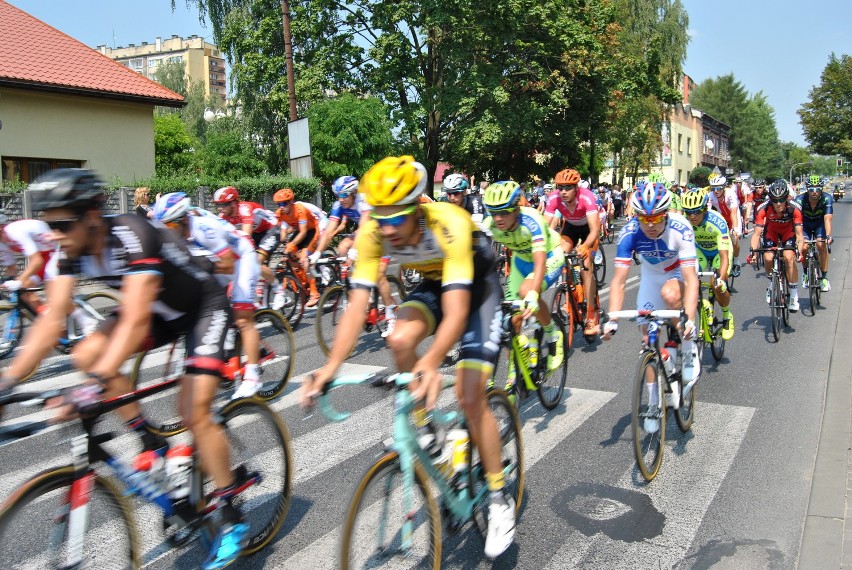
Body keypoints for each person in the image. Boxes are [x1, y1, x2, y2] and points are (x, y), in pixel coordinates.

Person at [0, 169, 247, 568]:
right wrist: (8, 383)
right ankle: (151, 443)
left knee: (194, 410)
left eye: (62, 224)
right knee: (85, 355)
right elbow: (51, 319)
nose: (55, 235)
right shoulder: (69, 251)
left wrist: (94, 385)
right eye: (49, 226)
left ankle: (231, 513)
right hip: (158, 313)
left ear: (92, 216)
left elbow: (132, 319)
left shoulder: (132, 233)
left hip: (201, 306)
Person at [300, 155, 515, 559]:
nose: (386, 230)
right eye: (378, 218)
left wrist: (431, 362)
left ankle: (500, 497)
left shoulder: (446, 222)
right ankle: (424, 424)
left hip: (478, 289)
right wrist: (328, 368)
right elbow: (355, 307)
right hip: (436, 282)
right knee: (399, 339)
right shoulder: (374, 232)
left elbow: (456, 312)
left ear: (418, 207)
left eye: (395, 219)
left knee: (470, 395)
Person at [602, 183, 701, 427]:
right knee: (647, 338)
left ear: (665, 214)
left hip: (678, 271)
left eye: (656, 217)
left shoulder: (681, 228)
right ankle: (654, 403)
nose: (650, 224)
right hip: (651, 275)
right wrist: (612, 320)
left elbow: (691, 280)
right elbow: (619, 280)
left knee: (670, 295)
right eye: (643, 218)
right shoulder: (630, 233)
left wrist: (688, 317)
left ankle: (688, 345)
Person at [152, 192, 265, 399]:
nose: (166, 233)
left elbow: (228, 265)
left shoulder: (204, 228)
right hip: (215, 263)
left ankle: (252, 376)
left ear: (183, 220)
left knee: (242, 318)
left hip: (240, 259)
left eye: (169, 227)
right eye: (162, 228)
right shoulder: (175, 234)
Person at [481, 181, 565, 389]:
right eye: (493, 212)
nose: (498, 218)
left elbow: (539, 263)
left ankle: (553, 333)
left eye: (504, 212)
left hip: (549, 256)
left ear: (516, 209)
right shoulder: (489, 223)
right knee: (512, 319)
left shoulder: (531, 220)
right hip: (520, 261)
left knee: (527, 292)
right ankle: (515, 371)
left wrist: (532, 295)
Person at [309, 175, 399, 335]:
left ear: (353, 193)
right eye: (338, 196)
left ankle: (391, 316)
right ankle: (357, 287)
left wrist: (354, 251)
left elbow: (364, 227)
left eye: (344, 195)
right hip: (367, 234)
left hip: (383, 233)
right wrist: (316, 253)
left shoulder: (363, 202)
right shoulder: (339, 205)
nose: (341, 199)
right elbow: (329, 231)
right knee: (343, 246)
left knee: (378, 274)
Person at [543, 168, 601, 336]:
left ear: (576, 188)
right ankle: (571, 289)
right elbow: (545, 225)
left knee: (586, 265)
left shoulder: (587, 197)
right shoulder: (553, 197)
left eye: (568, 188)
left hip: (588, 231)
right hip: (570, 228)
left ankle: (591, 313)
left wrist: (586, 246)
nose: (563, 192)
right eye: (560, 187)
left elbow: (595, 229)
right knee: (560, 255)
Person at [212, 186, 285, 310]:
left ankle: (279, 291)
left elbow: (246, 236)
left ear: (234, 203)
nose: (220, 208)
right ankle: (258, 294)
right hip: (257, 233)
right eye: (218, 205)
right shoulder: (224, 215)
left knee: (254, 260)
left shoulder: (245, 209)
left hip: (271, 229)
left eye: (223, 205)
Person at [681, 189, 735, 340]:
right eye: (688, 212)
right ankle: (698, 305)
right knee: (689, 278)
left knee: (715, 283)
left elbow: (724, 257)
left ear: (705, 209)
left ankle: (727, 316)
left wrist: (721, 279)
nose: (692, 216)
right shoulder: (685, 222)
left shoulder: (717, 222)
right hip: (701, 251)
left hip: (719, 252)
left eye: (697, 212)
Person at [749, 180, 804, 312]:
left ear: (786, 198)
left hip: (788, 233)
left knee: (789, 257)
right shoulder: (763, 208)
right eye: (775, 200)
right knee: (768, 258)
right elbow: (756, 234)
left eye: (781, 200)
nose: (778, 204)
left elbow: (800, 235)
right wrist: (753, 253)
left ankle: (794, 295)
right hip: (771, 232)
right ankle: (770, 284)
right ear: (770, 200)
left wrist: (800, 252)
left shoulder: (794, 208)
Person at [273, 188, 321, 308]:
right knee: (289, 255)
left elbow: (304, 232)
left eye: (284, 203)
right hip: (299, 232)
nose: (281, 206)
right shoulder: (280, 213)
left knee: (304, 259)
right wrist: (283, 243)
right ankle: (303, 283)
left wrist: (291, 244)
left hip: (311, 231)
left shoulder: (300, 210)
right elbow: (282, 232)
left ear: (291, 202)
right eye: (279, 204)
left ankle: (315, 293)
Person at [795, 174, 833, 292]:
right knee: (804, 247)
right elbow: (797, 221)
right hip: (805, 225)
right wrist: (798, 238)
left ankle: (824, 278)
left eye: (817, 189)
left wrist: (828, 236)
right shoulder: (800, 200)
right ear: (807, 190)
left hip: (819, 224)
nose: (814, 192)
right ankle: (806, 273)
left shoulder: (827, 198)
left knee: (821, 245)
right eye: (811, 189)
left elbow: (827, 219)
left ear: (821, 189)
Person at [707, 175, 743, 277]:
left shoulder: (730, 194)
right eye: (713, 188)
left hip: (733, 216)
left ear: (724, 187)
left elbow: (734, 212)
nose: (716, 191)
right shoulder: (710, 196)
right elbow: (708, 212)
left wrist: (735, 228)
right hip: (722, 218)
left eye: (718, 188)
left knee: (734, 238)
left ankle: (736, 262)